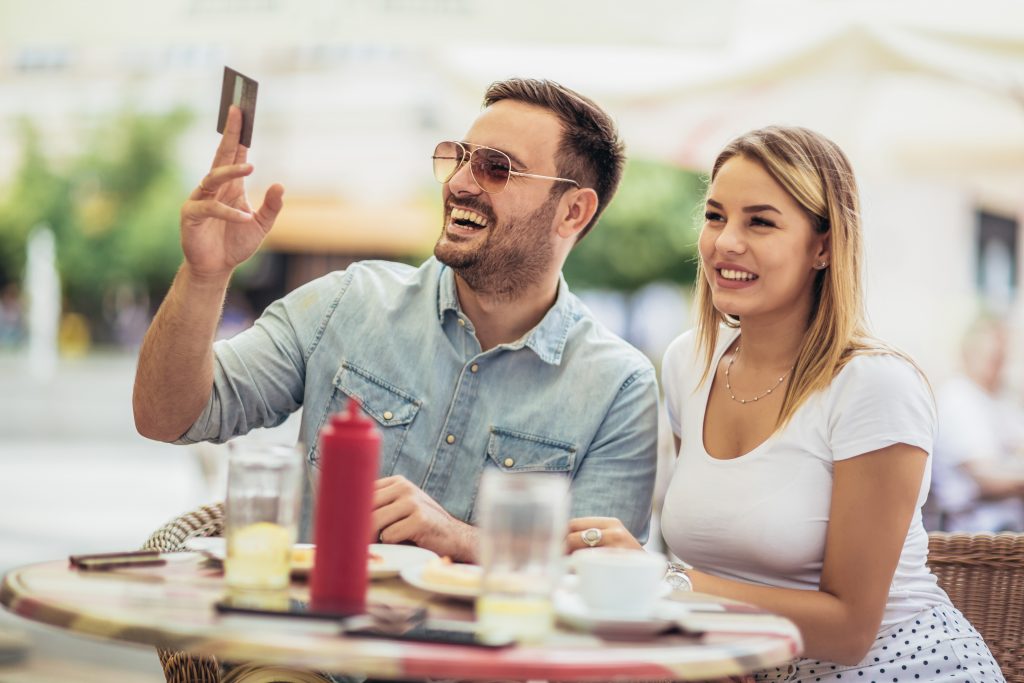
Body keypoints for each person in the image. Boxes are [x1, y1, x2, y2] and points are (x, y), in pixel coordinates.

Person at [133, 78, 658, 563]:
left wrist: (458, 537)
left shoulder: (619, 387)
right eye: (459, 158)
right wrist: (206, 275)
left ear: (573, 212)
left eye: (496, 167)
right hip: (314, 655)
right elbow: (167, 416)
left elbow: (593, 578)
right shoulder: (348, 301)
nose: (460, 184)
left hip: (488, 661)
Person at [567, 126, 1003, 681]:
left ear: (823, 245)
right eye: (716, 215)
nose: (725, 241)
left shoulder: (875, 386)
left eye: (761, 221)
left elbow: (849, 630)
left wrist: (661, 580)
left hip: (901, 668)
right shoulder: (689, 364)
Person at [928, 316, 1024, 531]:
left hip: (1008, 528)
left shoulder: (999, 400)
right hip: (975, 533)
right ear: (967, 353)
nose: (997, 364)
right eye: (990, 356)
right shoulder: (957, 398)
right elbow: (987, 479)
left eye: (1000, 356)